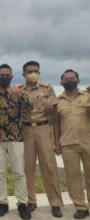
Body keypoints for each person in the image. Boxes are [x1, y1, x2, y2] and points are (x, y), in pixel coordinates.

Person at [0, 64, 33, 219]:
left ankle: (22, 204)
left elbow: (29, 107)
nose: (4, 77)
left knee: (19, 172)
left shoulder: (18, 92)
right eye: (1, 75)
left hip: (16, 138)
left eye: (7, 75)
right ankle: (2, 203)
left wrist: (22, 94)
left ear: (12, 76)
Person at [17, 61, 63, 217]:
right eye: (29, 71)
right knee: (27, 167)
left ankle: (55, 203)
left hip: (44, 128)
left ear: (39, 73)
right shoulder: (18, 90)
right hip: (26, 129)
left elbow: (55, 115)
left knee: (49, 167)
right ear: (23, 74)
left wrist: (50, 110)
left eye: (36, 71)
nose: (33, 73)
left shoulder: (47, 89)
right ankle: (31, 201)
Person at [53, 69, 90, 219]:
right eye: (66, 78)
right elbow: (56, 123)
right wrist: (56, 143)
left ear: (78, 80)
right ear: (61, 82)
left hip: (88, 141)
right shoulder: (58, 101)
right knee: (73, 178)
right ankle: (81, 207)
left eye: (72, 78)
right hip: (68, 144)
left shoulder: (88, 96)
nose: (69, 80)